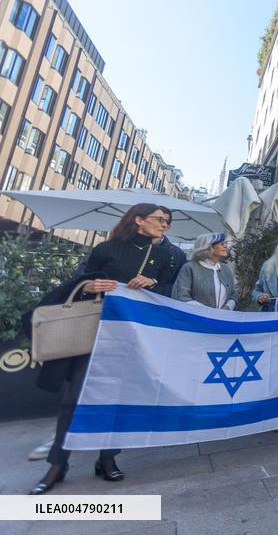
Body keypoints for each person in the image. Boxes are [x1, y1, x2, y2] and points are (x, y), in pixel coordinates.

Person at [29, 203, 176, 495]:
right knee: (75, 398)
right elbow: (78, 281)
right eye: (160, 220)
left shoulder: (166, 255)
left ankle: (107, 458)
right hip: (94, 332)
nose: (165, 226)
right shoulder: (106, 249)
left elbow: (172, 294)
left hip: (133, 336)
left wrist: (154, 283)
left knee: (118, 398)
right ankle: (58, 463)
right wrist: (90, 285)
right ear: (139, 220)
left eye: (168, 222)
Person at [171, 233, 236, 310]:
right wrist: (207, 312)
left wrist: (227, 307)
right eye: (221, 243)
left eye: (225, 243)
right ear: (209, 247)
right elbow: (180, 296)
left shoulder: (225, 269)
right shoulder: (190, 268)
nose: (225, 246)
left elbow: (233, 294)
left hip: (222, 319)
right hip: (196, 318)